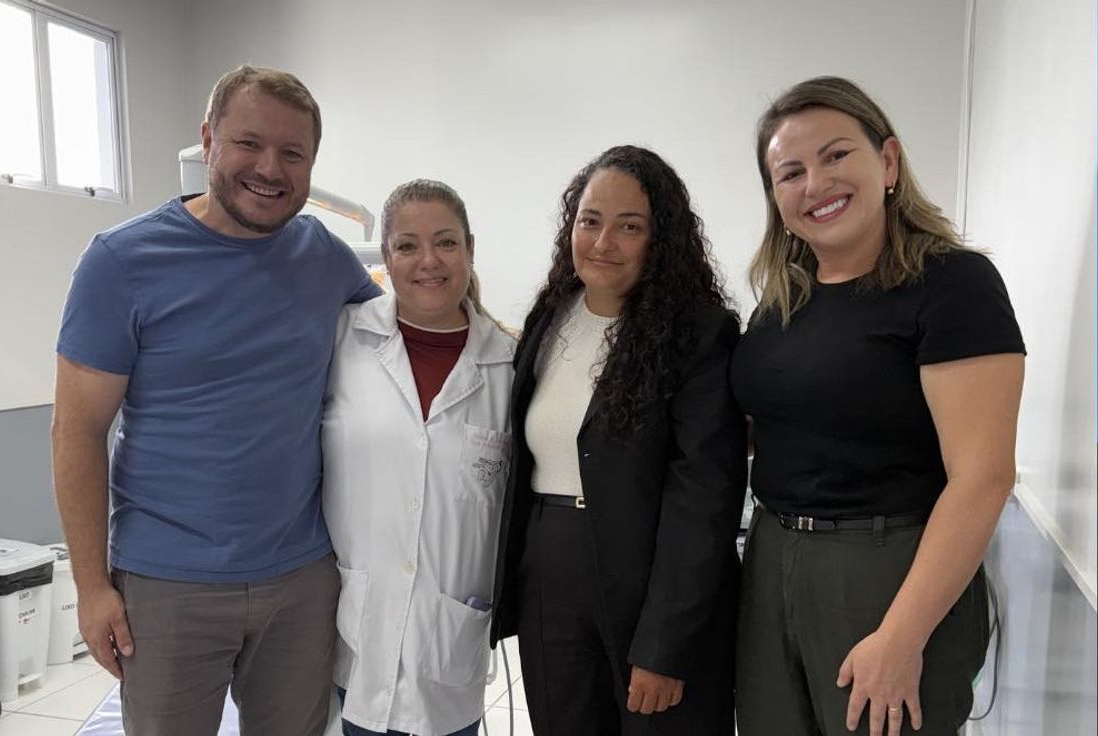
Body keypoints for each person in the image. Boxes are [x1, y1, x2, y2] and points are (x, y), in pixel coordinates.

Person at [51, 64, 381, 736]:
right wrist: (91, 587)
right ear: (207, 140)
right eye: (248, 143)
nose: (270, 168)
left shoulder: (323, 256)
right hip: (168, 584)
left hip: (301, 577)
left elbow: (408, 333)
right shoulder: (122, 261)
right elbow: (76, 432)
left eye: (293, 153)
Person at [731, 76, 1025, 736]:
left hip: (888, 570)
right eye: (790, 173)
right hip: (771, 558)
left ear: (888, 162)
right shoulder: (781, 303)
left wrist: (900, 637)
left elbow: (983, 477)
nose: (815, 184)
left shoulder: (953, 285)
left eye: (836, 155)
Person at [490, 145, 747, 735]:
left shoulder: (698, 333)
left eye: (629, 227)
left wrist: (666, 646)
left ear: (661, 239)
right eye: (590, 221)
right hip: (550, 576)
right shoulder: (551, 317)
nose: (603, 242)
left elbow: (704, 496)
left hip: (650, 583)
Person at [321, 179, 515, 736]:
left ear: (470, 249)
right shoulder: (343, 341)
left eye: (446, 242)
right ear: (387, 257)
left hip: (449, 640)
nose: (428, 261)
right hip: (358, 630)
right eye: (407, 246)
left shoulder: (509, 364)